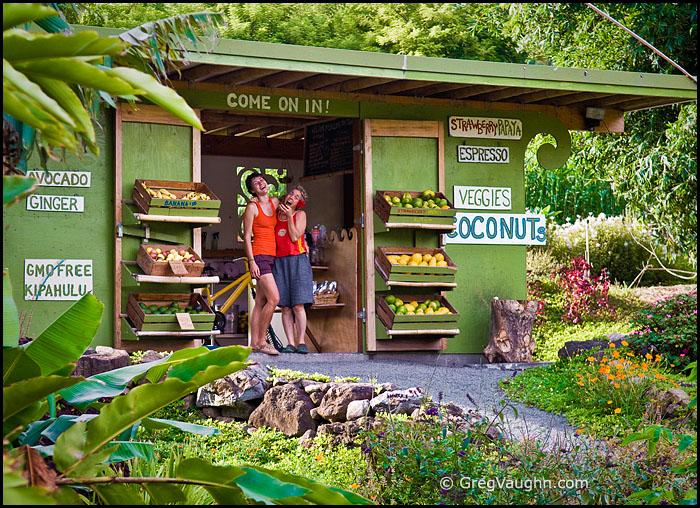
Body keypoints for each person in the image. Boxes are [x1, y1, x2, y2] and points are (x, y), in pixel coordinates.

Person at [272, 185, 314, 354]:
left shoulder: (300, 215)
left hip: (298, 259)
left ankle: (301, 342)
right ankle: (290, 343)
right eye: (291, 194)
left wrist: (290, 216)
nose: (292, 197)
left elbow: (295, 236)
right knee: (285, 306)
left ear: (300, 203)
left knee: (298, 305)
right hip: (279, 261)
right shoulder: (275, 216)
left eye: (296, 197)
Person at [242, 172, 280, 355]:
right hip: (260, 256)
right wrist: (252, 261)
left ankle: (253, 344)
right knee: (274, 299)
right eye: (255, 183)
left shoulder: (275, 202)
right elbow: (247, 236)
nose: (260, 183)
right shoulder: (252, 208)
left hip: (272, 256)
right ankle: (262, 342)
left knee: (260, 301)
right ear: (252, 190)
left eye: (261, 180)